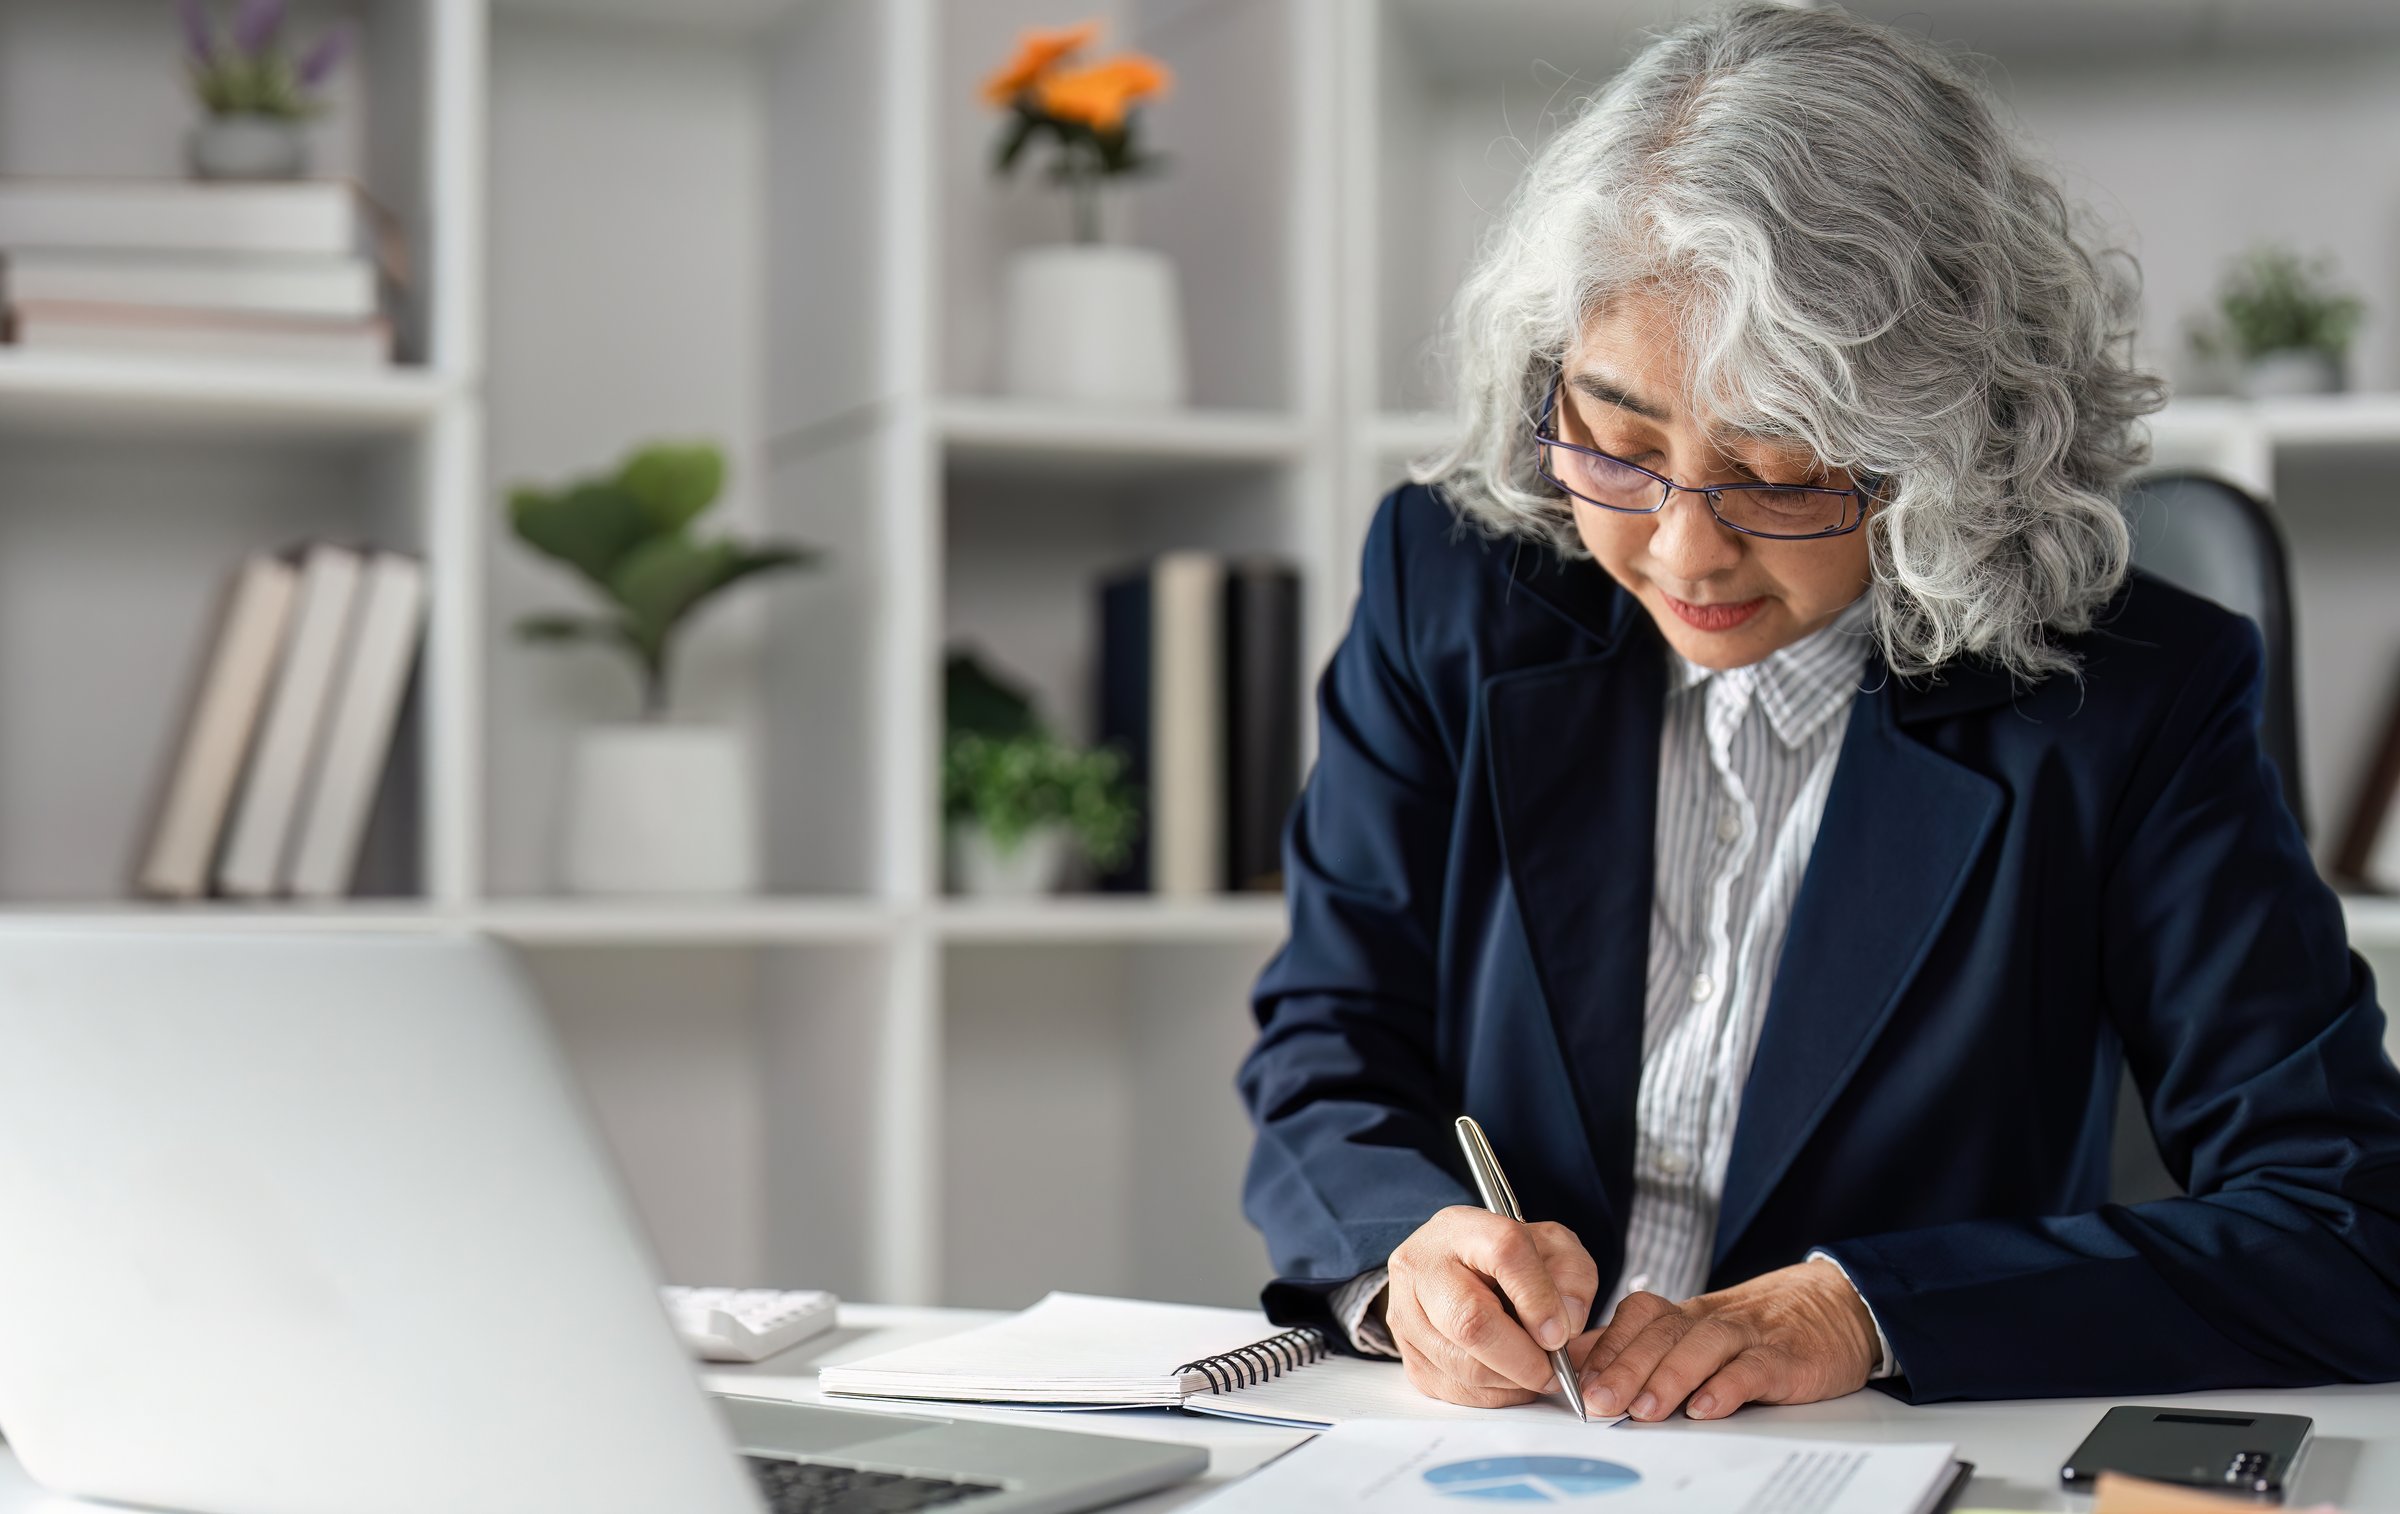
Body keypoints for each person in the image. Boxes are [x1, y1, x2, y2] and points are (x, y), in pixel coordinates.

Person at [1238, 2, 2400, 1420]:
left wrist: (1866, 1308)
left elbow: (2351, 1222)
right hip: (1500, 1448)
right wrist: (1404, 1250)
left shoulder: (2131, 700)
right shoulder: (1449, 585)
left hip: (1867, 1452)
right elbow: (1325, 1037)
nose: (1681, 549)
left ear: (1950, 441)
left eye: (1780, 473)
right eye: (1618, 436)